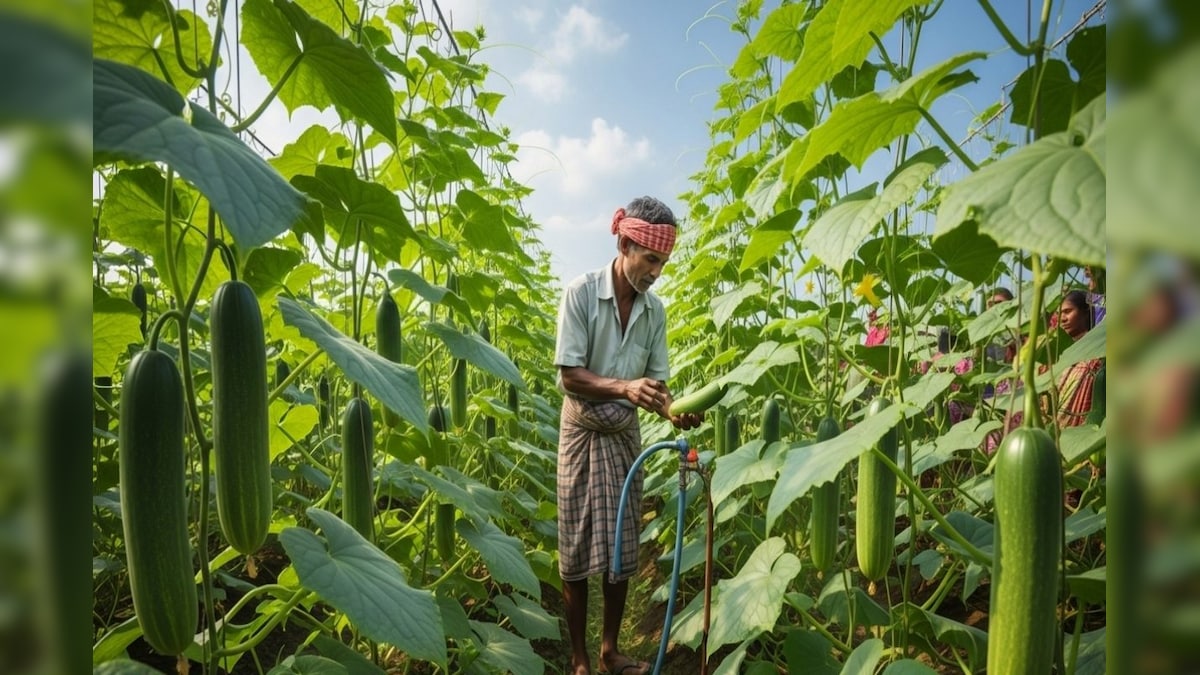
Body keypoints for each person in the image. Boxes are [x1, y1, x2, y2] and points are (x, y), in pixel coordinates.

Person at [553, 196, 703, 675]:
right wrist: (622, 386)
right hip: (580, 431)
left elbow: (656, 387)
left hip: (623, 437)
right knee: (575, 550)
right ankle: (578, 658)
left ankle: (610, 650)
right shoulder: (581, 294)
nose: (657, 271)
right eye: (651, 259)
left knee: (621, 546)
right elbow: (569, 376)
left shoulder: (653, 312)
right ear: (625, 244)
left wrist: (673, 412)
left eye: (663, 261)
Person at [1051, 289, 1103, 429]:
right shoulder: (1066, 354)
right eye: (1060, 313)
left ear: (1086, 311)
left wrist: (1094, 286)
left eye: (1068, 311)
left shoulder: (1097, 355)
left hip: (1087, 432)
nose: (1062, 318)